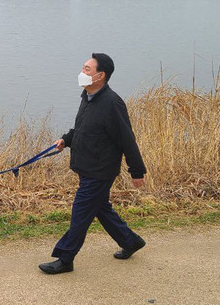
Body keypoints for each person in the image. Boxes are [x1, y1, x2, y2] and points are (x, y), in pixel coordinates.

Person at [39, 53, 147, 275]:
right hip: (87, 166)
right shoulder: (88, 96)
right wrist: (66, 139)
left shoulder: (112, 103)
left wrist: (137, 171)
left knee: (81, 212)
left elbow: (127, 139)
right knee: (100, 208)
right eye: (83, 68)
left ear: (100, 76)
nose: (82, 73)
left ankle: (65, 258)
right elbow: (84, 127)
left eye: (87, 69)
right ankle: (130, 241)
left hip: (100, 170)